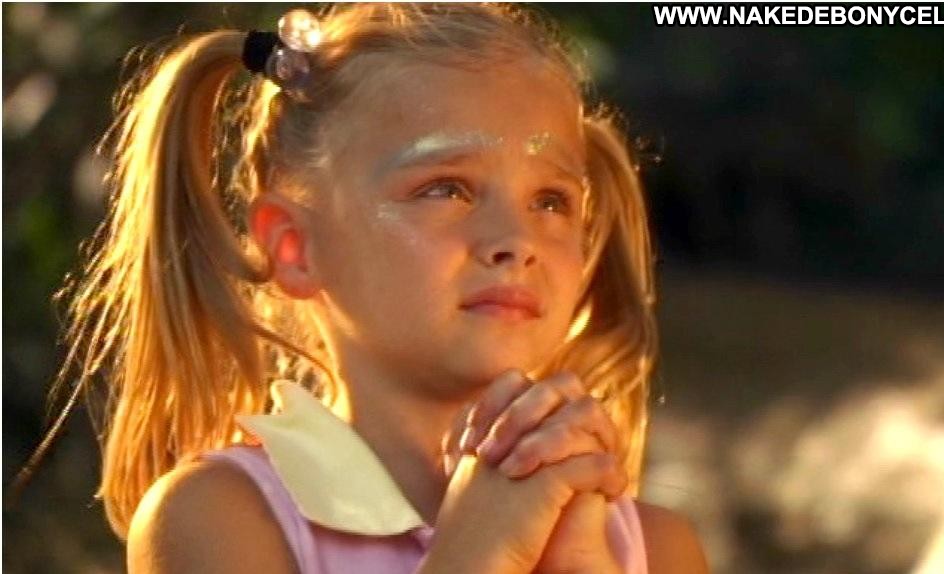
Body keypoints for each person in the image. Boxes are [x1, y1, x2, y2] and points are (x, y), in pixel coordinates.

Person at [56, 4, 708, 573]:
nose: (517, 239)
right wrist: (478, 555)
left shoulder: (656, 548)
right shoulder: (218, 516)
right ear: (295, 247)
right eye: (445, 188)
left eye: (551, 201)